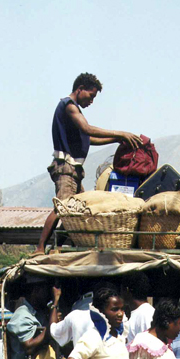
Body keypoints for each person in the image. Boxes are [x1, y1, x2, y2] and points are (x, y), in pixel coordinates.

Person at [35, 73, 142, 254]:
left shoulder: (75, 112)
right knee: (62, 206)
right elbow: (87, 128)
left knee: (80, 212)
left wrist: (114, 140)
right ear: (80, 89)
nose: (91, 101)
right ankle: (40, 247)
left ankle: (58, 246)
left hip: (74, 171)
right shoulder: (68, 106)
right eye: (91, 96)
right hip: (65, 168)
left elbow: (89, 138)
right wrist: (120, 134)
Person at [6, 278, 61, 359]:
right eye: (45, 290)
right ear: (36, 291)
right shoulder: (22, 315)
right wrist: (55, 304)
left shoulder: (38, 312)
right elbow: (29, 348)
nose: (48, 294)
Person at [121, 273, 155, 343]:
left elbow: (149, 345)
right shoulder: (139, 313)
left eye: (121, 289)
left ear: (127, 290)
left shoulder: (145, 315)